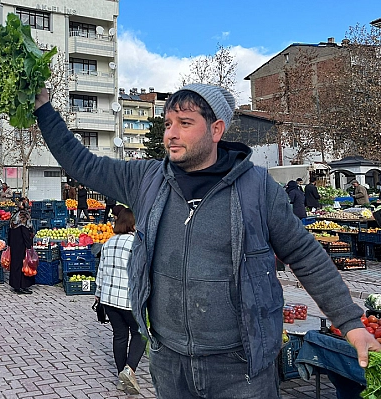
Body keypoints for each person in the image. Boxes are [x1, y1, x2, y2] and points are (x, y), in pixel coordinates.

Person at [33, 83, 377, 397]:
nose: (171, 133)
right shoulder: (146, 179)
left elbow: (306, 255)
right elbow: (82, 164)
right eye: (168, 124)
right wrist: (44, 108)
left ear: (216, 130)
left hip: (240, 368)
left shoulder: (258, 189)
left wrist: (349, 322)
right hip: (170, 364)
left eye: (184, 123)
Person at [94, 208, 145, 395]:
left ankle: (121, 376)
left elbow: (101, 271)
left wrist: (98, 293)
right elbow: (142, 271)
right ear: (133, 223)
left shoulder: (108, 243)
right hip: (129, 298)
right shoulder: (137, 243)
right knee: (140, 333)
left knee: (119, 335)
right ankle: (129, 370)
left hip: (109, 298)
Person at [7, 210, 34, 294]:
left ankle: (15, 285)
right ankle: (22, 286)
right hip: (22, 246)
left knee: (15, 265)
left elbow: (9, 233)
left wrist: (9, 244)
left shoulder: (14, 218)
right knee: (23, 265)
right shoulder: (24, 218)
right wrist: (29, 246)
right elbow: (26, 234)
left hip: (14, 246)